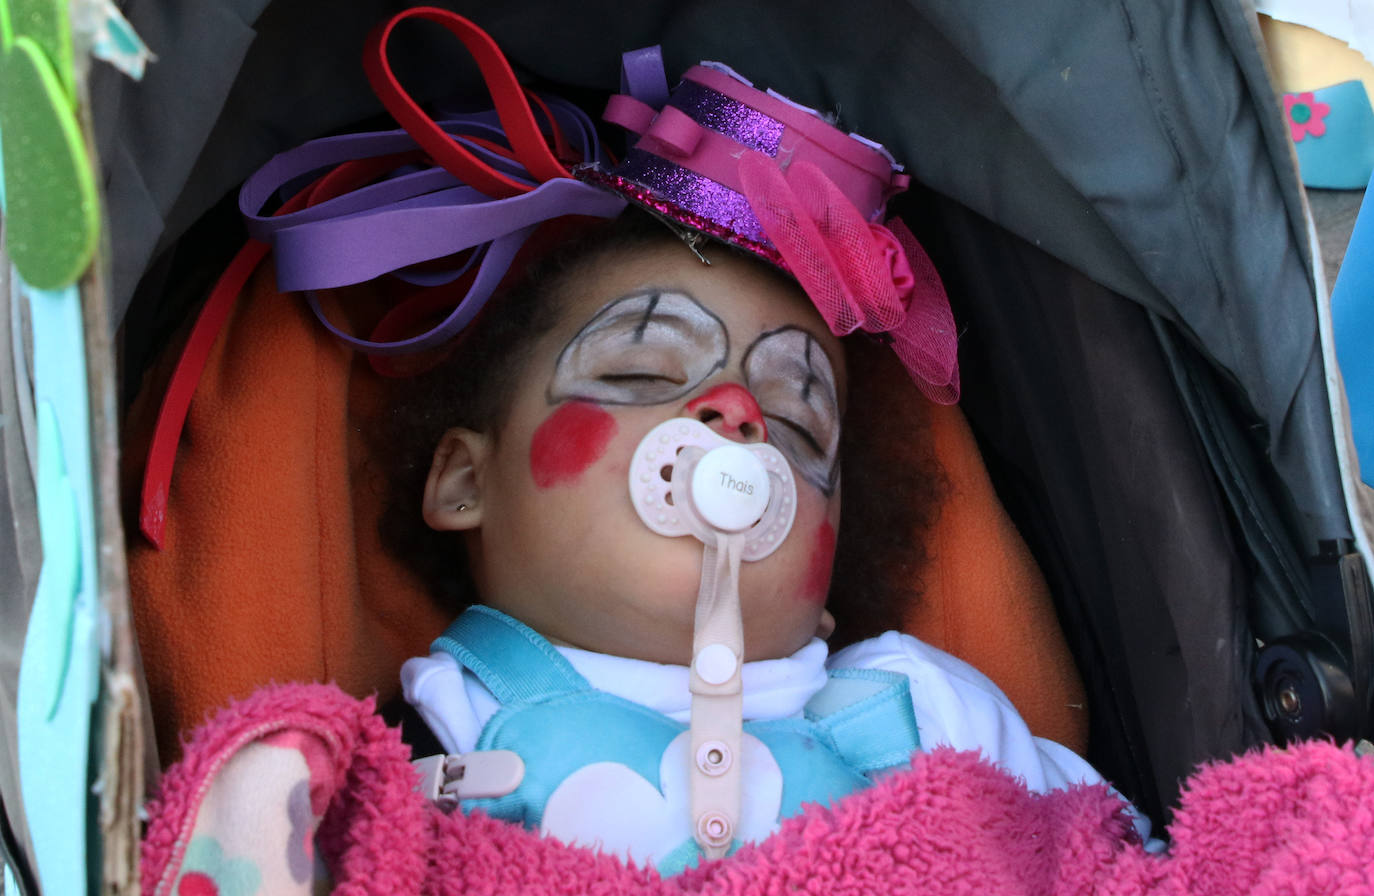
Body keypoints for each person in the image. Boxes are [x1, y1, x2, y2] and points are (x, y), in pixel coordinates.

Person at [381, 53, 1139, 873]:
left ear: (825, 583)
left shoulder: (923, 716)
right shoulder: (417, 741)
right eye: (643, 373)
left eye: (796, 424)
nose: (738, 413)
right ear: (465, 482)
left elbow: (1130, 867)